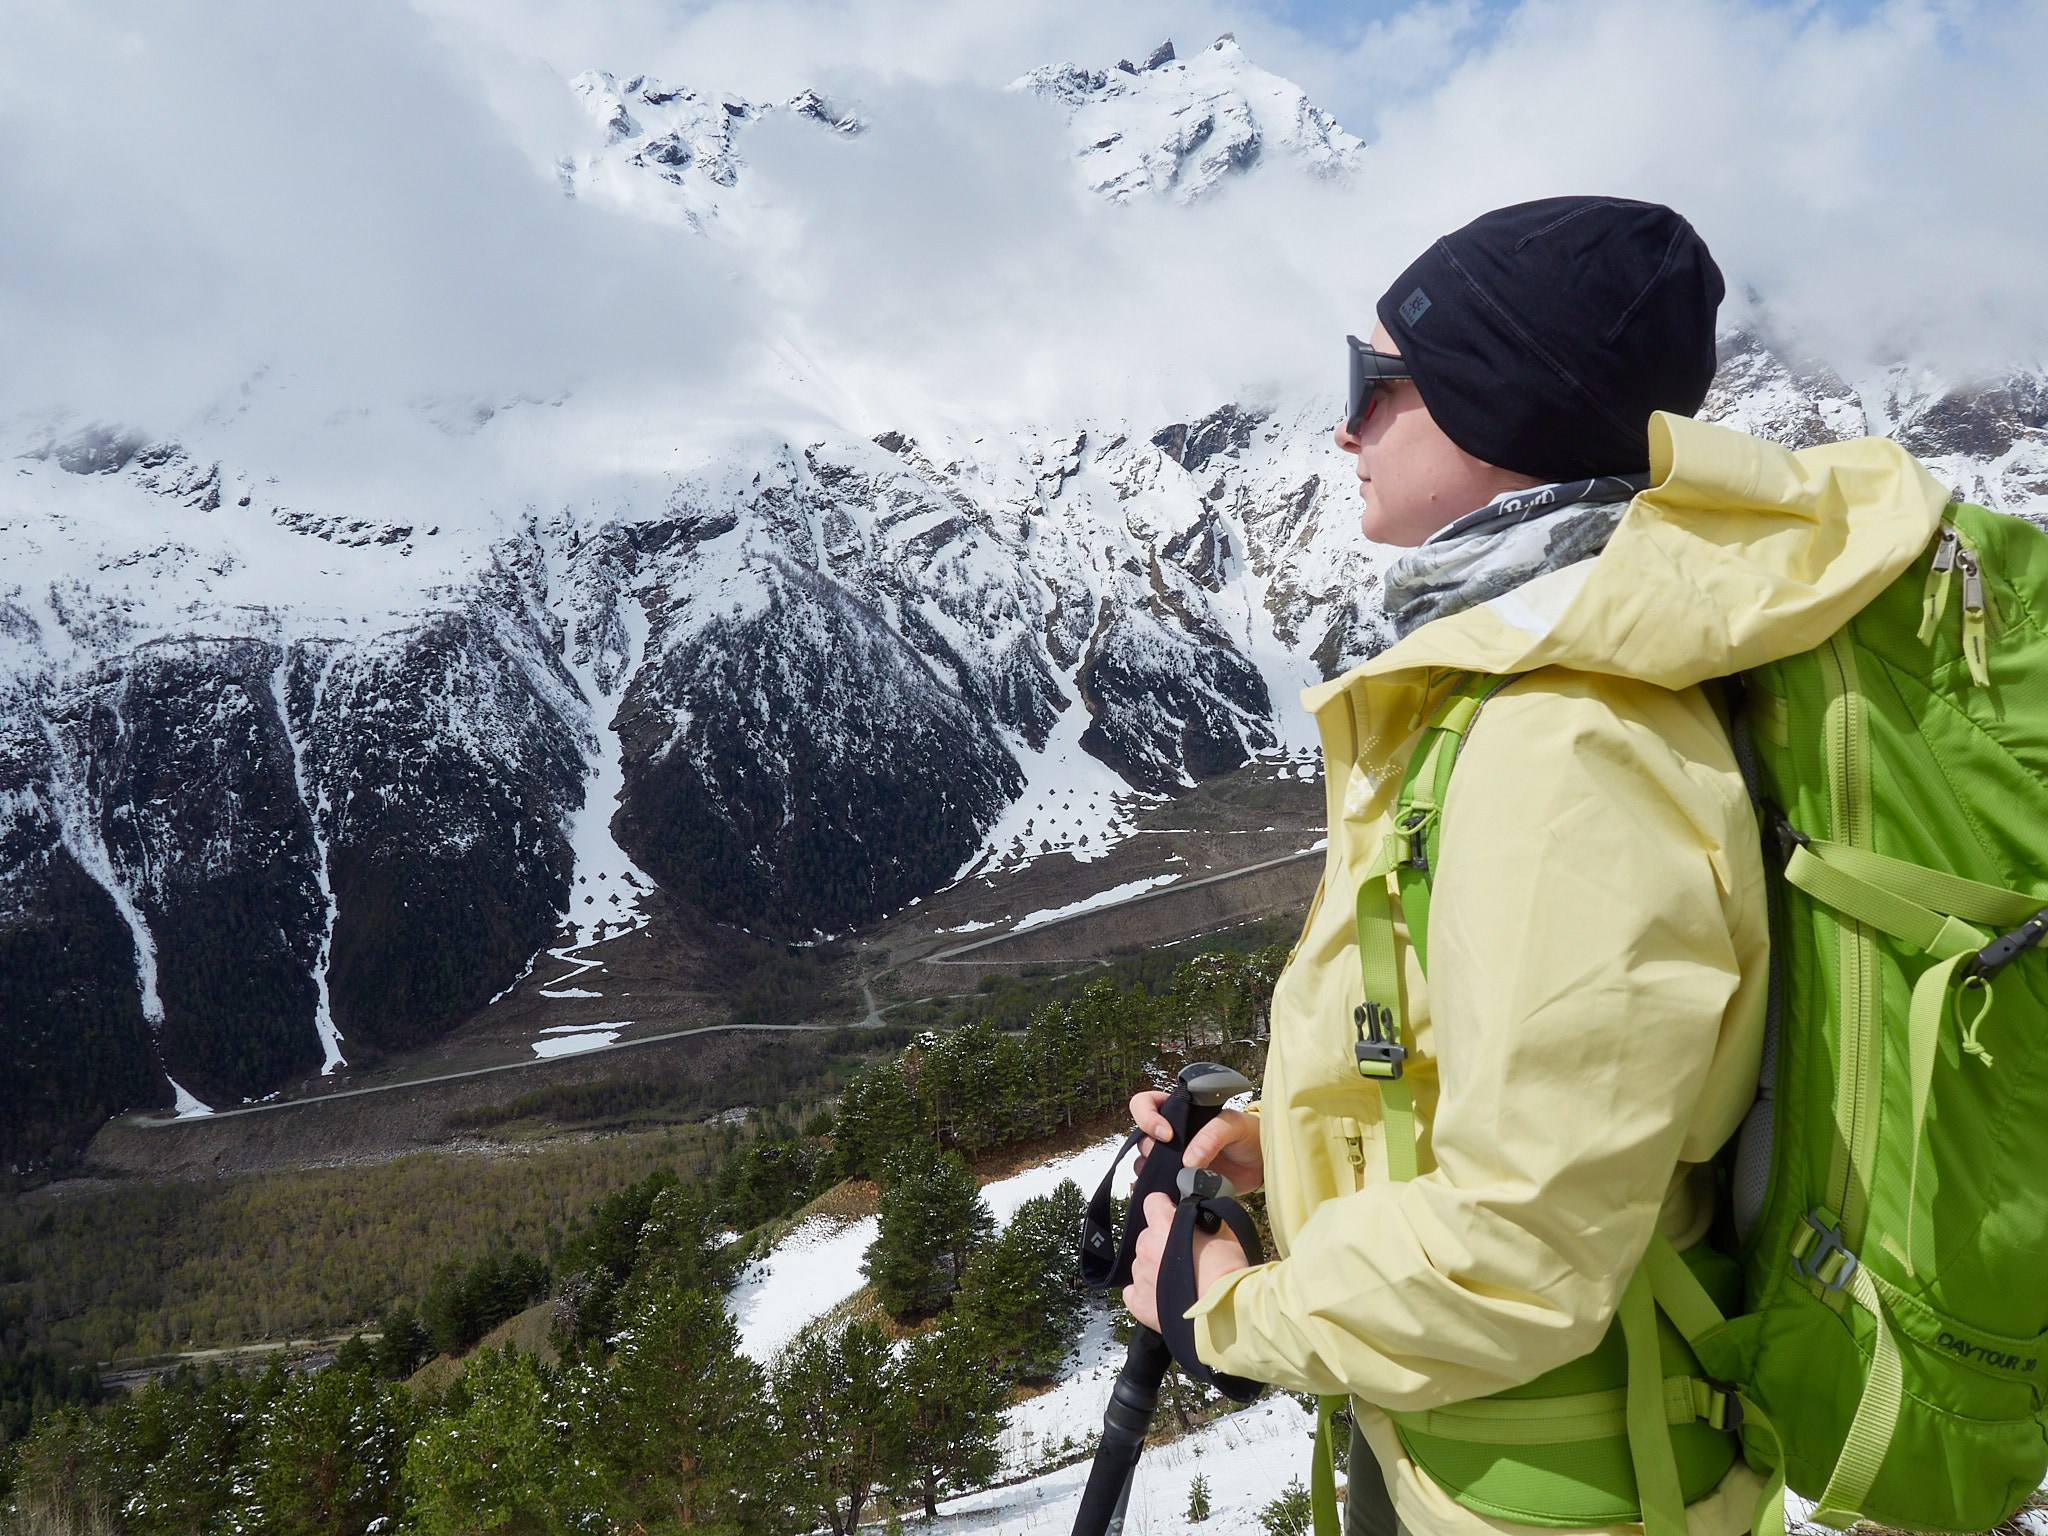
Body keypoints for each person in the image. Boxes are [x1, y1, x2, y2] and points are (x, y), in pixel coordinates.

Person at [1117, 197, 1951, 1536]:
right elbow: (1530, 1084)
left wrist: (1221, 1308)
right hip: (1491, 1461)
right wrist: (1291, 1138)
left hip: (1565, 1496)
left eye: (1371, 384)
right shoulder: (1518, 691)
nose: (1342, 428)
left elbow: (1523, 1251)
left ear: (1499, 412)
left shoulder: (1567, 743)